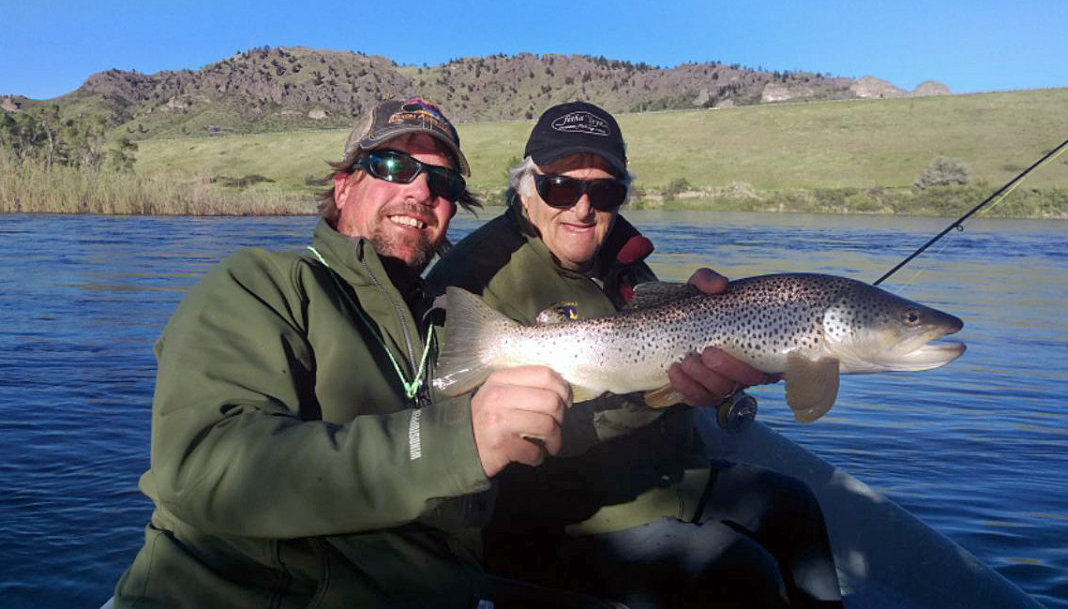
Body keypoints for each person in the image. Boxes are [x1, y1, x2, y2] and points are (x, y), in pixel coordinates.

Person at [112, 98, 577, 608]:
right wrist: (456, 440)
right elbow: (203, 468)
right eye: (394, 165)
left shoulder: (450, 330)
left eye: (442, 183)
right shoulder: (261, 284)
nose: (421, 190)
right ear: (343, 185)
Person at [428, 101, 844, 607]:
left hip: (666, 476)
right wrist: (659, 396)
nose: (582, 207)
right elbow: (465, 435)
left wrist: (717, 376)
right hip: (561, 514)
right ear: (526, 187)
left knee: (797, 506)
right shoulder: (477, 273)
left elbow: (665, 362)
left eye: (604, 190)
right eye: (559, 186)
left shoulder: (624, 259)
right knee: (739, 572)